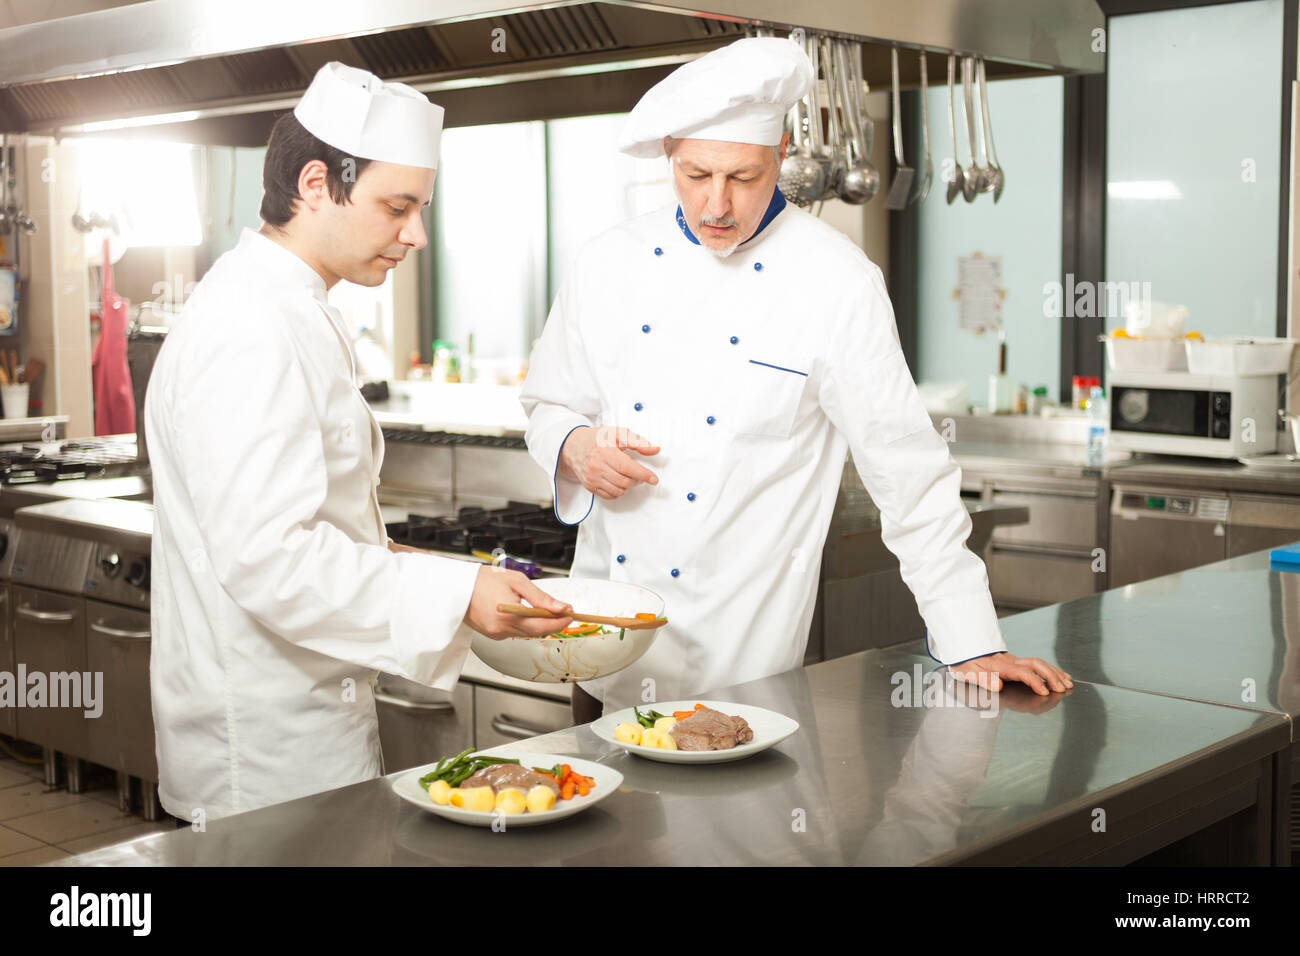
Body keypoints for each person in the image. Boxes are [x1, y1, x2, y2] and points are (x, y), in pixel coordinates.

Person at [519, 38, 1070, 722]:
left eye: (743, 178)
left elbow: (907, 469)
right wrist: (573, 447)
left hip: (747, 677)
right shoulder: (605, 264)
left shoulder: (836, 283)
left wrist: (970, 643)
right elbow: (546, 405)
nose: (716, 204)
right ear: (669, 156)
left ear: (781, 154)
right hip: (607, 656)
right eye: (695, 175)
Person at [147, 62, 571, 821]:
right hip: (264, 760)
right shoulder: (250, 326)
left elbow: (315, 526)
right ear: (316, 184)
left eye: (421, 207)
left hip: (304, 731)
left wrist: (444, 574)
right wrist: (456, 592)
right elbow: (270, 557)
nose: (415, 234)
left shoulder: (292, 306)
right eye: (396, 206)